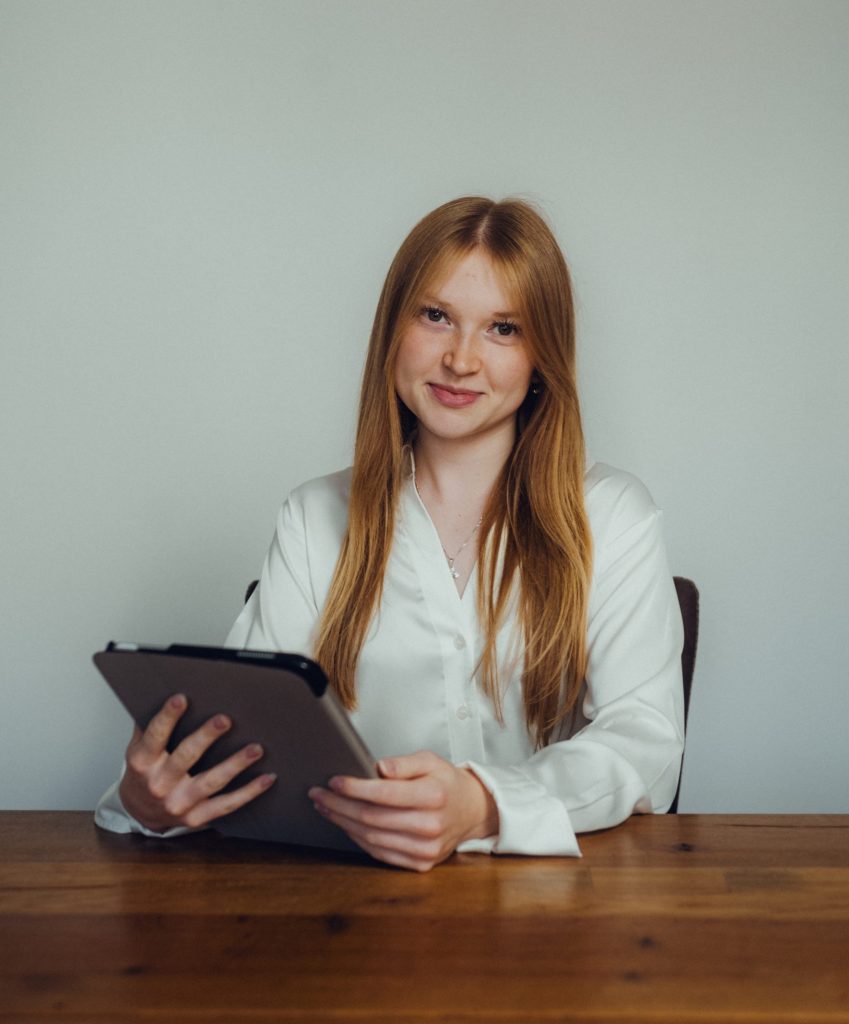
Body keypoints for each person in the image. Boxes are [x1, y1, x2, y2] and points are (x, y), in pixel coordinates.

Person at [95, 196, 684, 871]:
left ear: (541, 356)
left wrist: (484, 804)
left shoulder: (612, 516)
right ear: (393, 328)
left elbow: (645, 742)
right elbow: (241, 743)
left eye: (502, 328)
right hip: (348, 901)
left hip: (554, 909)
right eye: (436, 317)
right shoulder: (313, 518)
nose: (461, 360)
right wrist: (148, 801)